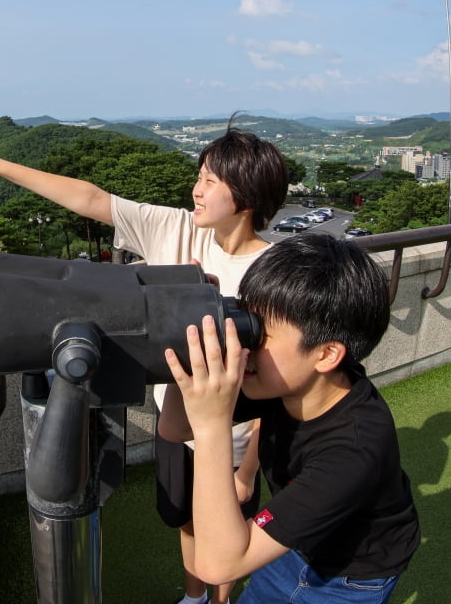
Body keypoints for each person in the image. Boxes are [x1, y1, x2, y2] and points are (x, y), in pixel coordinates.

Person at [0, 121, 289, 604]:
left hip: (234, 437)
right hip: (174, 420)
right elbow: (90, 198)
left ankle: (219, 601)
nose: (195, 190)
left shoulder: (273, 275)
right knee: (183, 515)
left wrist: (246, 473)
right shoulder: (176, 228)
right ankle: (195, 596)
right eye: (199, 176)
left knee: (226, 528)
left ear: (244, 196)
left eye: (209, 181)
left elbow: (277, 380)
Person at [160, 234, 421, 604]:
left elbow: (218, 565)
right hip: (290, 545)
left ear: (326, 354)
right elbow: (174, 427)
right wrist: (189, 324)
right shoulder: (287, 380)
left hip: (352, 576)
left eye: (260, 333)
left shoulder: (354, 448)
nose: (245, 344)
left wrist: (212, 425)